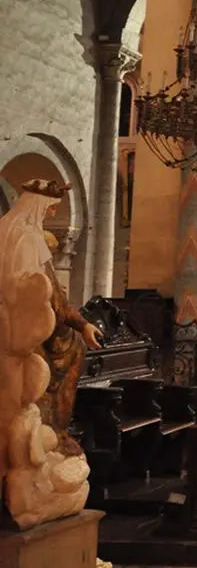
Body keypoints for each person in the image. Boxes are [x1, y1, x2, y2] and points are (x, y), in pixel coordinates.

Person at [0, 178, 99, 528]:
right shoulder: (28, 240)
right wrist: (82, 325)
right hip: (25, 339)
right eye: (52, 208)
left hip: (11, 336)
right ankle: (54, 430)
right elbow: (51, 297)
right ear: (39, 205)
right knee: (69, 351)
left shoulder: (6, 231)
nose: (54, 213)